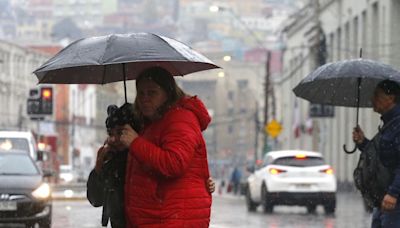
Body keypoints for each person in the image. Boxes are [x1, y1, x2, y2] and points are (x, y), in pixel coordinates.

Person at [87, 103, 215, 227]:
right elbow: (96, 199)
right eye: (110, 133)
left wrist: (202, 185)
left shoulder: (145, 157)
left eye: (121, 132)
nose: (113, 139)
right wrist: (99, 167)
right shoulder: (110, 160)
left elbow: (172, 179)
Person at [119, 66, 213, 227]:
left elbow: (174, 163)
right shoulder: (153, 122)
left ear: (168, 93)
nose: (144, 98)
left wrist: (135, 142)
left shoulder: (181, 119)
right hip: (159, 216)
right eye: (141, 93)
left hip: (171, 217)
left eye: (152, 92)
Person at [353, 80, 400, 227]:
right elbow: (383, 158)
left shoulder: (398, 125)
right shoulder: (389, 124)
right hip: (383, 199)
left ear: (391, 98)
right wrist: (363, 143)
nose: (372, 100)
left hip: (394, 201)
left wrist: (393, 193)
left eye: (377, 95)